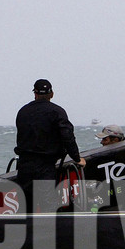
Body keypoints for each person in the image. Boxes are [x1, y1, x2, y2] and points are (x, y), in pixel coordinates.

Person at [13, 79, 84, 212]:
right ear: (52, 94)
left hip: (24, 166)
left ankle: (27, 231)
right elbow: (68, 136)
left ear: (35, 94)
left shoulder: (23, 112)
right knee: (48, 206)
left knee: (25, 206)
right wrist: (77, 158)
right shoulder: (57, 112)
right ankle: (51, 231)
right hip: (45, 167)